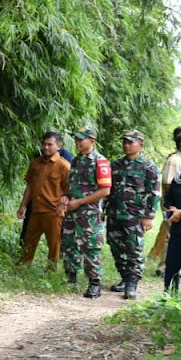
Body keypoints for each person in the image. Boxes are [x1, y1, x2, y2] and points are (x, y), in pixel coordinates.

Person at [106, 130, 160, 300]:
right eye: (125, 142)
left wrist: (149, 216)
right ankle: (124, 277)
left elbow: (154, 193)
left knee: (134, 250)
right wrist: (103, 209)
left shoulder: (148, 167)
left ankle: (132, 283)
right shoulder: (115, 165)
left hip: (135, 216)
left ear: (140, 144)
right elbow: (108, 190)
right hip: (115, 214)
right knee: (115, 247)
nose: (127, 145)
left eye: (131, 142)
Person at [59, 126, 112, 298]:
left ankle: (94, 283)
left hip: (89, 213)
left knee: (91, 247)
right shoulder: (76, 161)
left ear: (92, 140)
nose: (77, 142)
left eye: (81, 139)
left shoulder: (100, 161)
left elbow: (105, 190)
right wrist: (66, 197)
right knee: (69, 243)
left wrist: (79, 202)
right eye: (76, 139)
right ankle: (71, 277)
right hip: (72, 210)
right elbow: (72, 186)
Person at [16, 132, 71, 268]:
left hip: (53, 211)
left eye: (50, 144)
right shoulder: (36, 163)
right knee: (29, 240)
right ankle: (23, 265)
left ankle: (51, 269)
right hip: (36, 209)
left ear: (58, 146)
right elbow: (30, 186)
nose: (46, 147)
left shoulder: (64, 166)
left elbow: (69, 190)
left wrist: (63, 206)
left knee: (54, 243)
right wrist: (23, 206)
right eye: (44, 144)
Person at [147, 127, 181, 276]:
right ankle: (164, 268)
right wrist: (173, 207)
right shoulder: (174, 160)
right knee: (170, 235)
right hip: (173, 205)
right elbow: (169, 185)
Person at [162, 170, 181, 291]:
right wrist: (172, 208)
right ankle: (170, 295)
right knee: (172, 264)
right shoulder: (178, 178)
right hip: (178, 228)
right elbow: (168, 197)